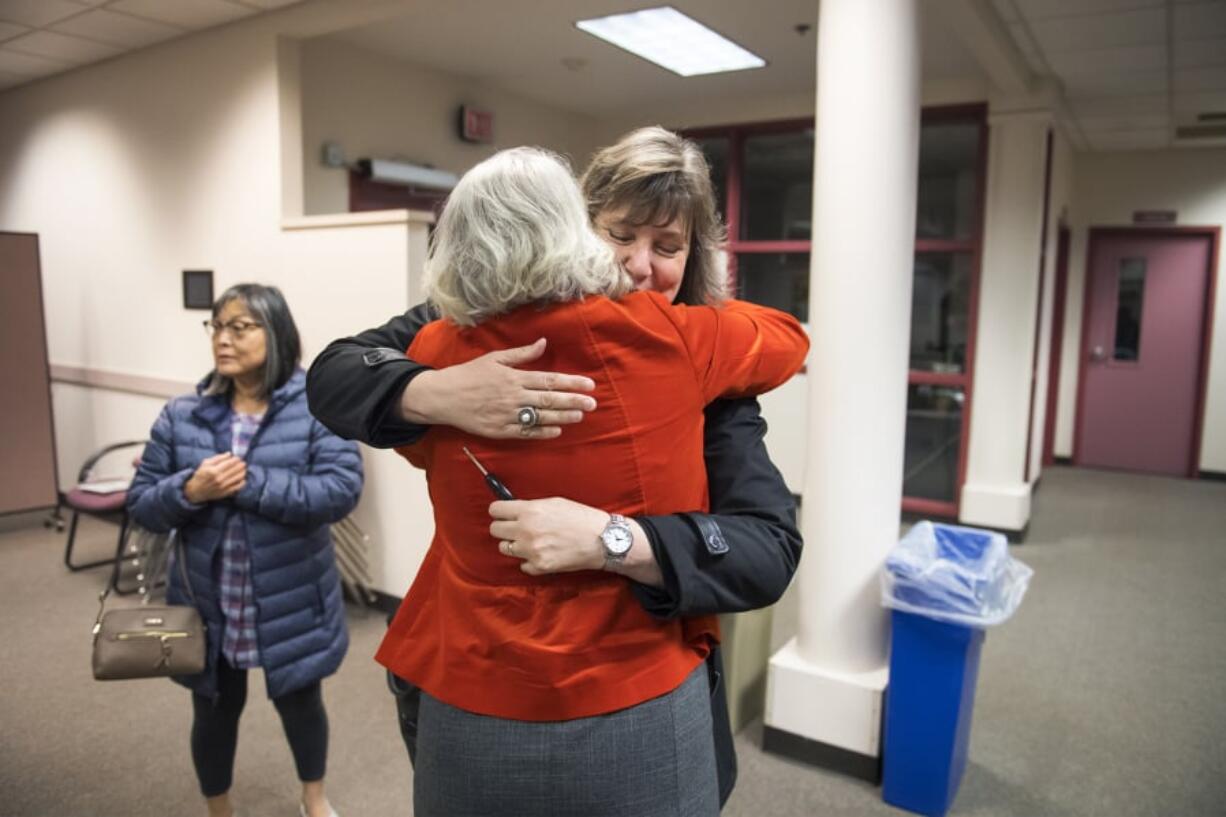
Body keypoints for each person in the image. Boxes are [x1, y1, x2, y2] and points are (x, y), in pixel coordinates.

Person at [305, 126, 803, 806]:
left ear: (695, 256)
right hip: (488, 670)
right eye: (620, 235)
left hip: (614, 681)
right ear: (574, 228)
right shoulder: (457, 336)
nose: (636, 263)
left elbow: (767, 549)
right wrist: (435, 391)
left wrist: (616, 538)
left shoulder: (699, 363)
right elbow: (335, 374)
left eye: (667, 247)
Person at [127, 284, 364, 817]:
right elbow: (141, 505)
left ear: (275, 333)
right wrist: (190, 490)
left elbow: (341, 489)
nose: (223, 340)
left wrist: (249, 482)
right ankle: (219, 809)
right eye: (216, 327)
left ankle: (315, 799)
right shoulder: (183, 414)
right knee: (212, 710)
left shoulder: (316, 405)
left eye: (240, 327)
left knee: (301, 702)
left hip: (291, 595)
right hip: (208, 599)